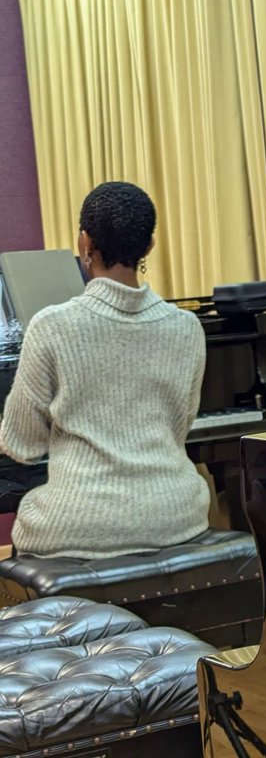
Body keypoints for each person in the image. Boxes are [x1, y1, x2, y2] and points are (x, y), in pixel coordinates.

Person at [0, 182, 210, 558]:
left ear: (84, 243)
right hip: (177, 514)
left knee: (30, 516)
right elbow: (179, 427)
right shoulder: (186, 328)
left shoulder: (52, 326)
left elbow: (22, 445)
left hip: (82, 523)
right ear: (149, 245)